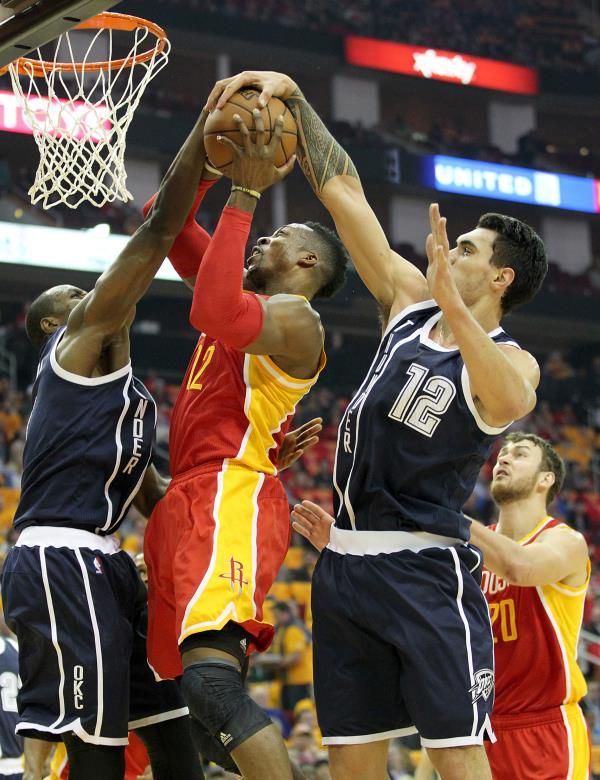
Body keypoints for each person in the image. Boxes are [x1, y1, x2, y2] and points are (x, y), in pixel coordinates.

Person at [208, 71, 548, 780]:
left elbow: (509, 404)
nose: (450, 254)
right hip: (345, 568)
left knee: (455, 758)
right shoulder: (411, 303)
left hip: (426, 575)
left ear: (501, 280)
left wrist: (454, 306)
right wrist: (297, 98)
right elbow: (346, 195)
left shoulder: (514, 362)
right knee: (350, 762)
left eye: (468, 252)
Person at [0, 106, 215, 780]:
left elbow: (154, 497)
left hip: (109, 565)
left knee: (174, 732)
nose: (96, 294)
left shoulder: (118, 400)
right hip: (63, 556)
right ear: (61, 323)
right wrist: (198, 158)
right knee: (97, 754)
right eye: (81, 294)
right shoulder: (74, 349)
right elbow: (155, 232)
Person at [143, 109, 349, 780]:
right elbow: (162, 218)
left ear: (309, 261)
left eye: (280, 237)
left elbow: (211, 314)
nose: (261, 239)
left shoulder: (299, 318)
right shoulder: (250, 293)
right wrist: (206, 158)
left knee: (211, 687)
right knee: (179, 704)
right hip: (194, 493)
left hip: (229, 494)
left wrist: (246, 190)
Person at [469, 433, 590, 779]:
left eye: (519, 455)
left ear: (545, 479)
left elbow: (519, 567)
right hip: (481, 727)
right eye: (502, 454)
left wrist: (448, 518)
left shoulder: (565, 540)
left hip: (544, 728)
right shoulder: (472, 550)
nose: (503, 459)